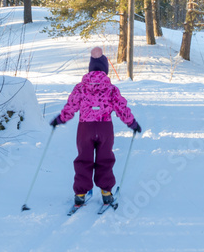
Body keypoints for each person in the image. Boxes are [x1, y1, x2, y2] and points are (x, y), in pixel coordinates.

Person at [51, 47, 141, 207]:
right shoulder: (111, 89)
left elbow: (71, 107)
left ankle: (80, 194)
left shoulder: (81, 87)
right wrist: (131, 123)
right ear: (105, 69)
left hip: (85, 129)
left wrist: (60, 119)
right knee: (105, 159)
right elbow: (121, 108)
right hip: (105, 128)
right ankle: (106, 192)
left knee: (83, 159)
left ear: (90, 68)